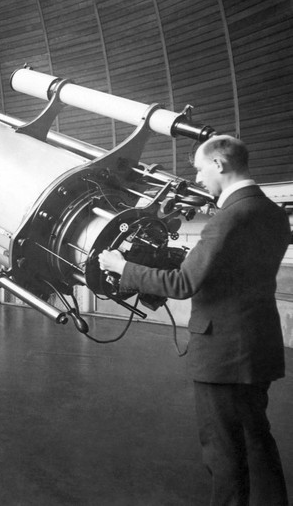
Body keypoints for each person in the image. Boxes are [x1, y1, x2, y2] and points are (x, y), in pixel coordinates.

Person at [99, 135, 289, 505]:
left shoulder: (229, 218)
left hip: (223, 353)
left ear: (219, 165)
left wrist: (122, 267)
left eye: (201, 169)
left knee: (223, 451)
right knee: (256, 438)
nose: (199, 178)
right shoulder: (272, 213)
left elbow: (182, 283)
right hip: (258, 345)